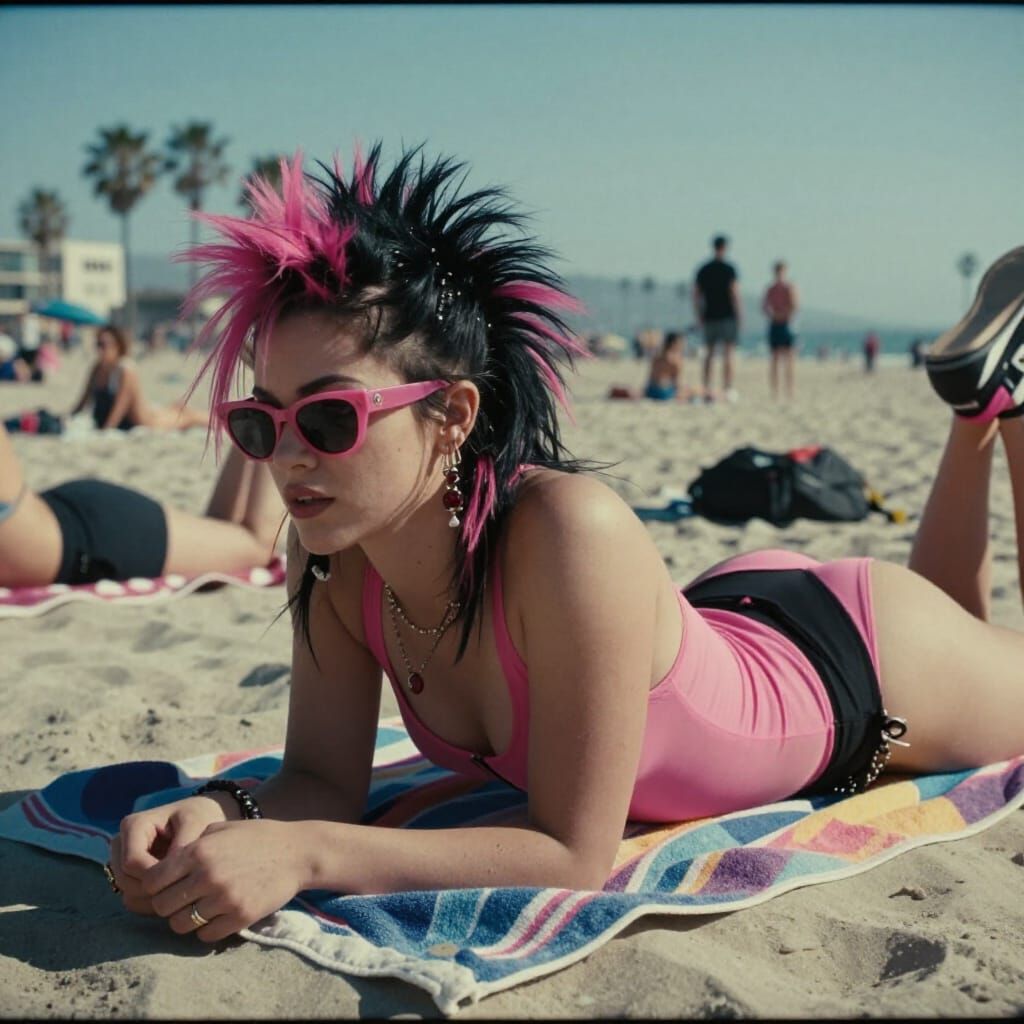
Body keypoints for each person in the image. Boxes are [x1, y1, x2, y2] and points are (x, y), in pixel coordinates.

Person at [103, 147, 1024, 945]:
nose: (288, 456)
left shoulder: (570, 529)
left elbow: (573, 855)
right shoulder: (334, 558)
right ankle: (978, 410)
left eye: (330, 417)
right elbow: (319, 779)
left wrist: (304, 854)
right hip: (734, 621)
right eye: (260, 422)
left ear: (451, 416)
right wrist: (219, 812)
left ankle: (1009, 412)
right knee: (971, 625)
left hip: (861, 666)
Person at [0, 419, 283, 587]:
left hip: (94, 537)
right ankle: (260, 409)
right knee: (223, 533)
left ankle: (271, 409)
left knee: (256, 546)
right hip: (67, 523)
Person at [69, 324, 208, 431]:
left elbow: (120, 405)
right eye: (98, 344)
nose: (101, 349)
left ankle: (213, 418)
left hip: (146, 422)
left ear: (118, 346)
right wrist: (68, 418)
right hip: (136, 418)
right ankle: (178, 409)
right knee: (177, 413)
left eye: (105, 345)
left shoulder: (125, 369)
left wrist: (107, 429)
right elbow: (84, 398)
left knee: (188, 419)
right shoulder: (97, 368)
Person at [692, 234, 742, 402]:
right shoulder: (729, 269)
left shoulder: (704, 269)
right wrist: (739, 315)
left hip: (709, 315)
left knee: (710, 353)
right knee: (728, 353)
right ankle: (727, 387)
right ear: (725, 248)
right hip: (727, 315)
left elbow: (696, 295)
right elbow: (735, 293)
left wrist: (699, 315)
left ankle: (707, 386)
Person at [762, 261, 799, 400]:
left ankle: (790, 390)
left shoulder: (789, 287)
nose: (779, 274)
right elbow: (765, 306)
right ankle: (775, 391)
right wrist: (775, 316)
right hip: (776, 324)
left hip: (786, 324)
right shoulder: (771, 289)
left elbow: (794, 306)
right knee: (775, 359)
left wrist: (781, 315)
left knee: (789, 359)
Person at [643, 330, 688, 401]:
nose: (683, 345)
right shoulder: (675, 359)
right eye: (681, 343)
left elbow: (650, 377)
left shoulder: (657, 355)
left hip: (650, 390)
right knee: (691, 391)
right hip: (664, 392)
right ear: (674, 343)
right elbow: (676, 382)